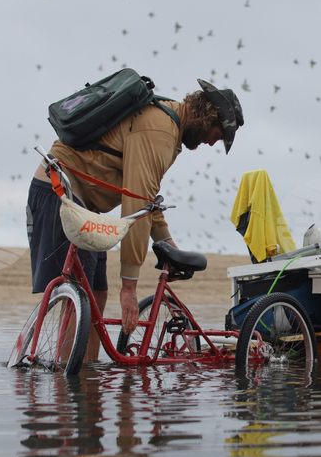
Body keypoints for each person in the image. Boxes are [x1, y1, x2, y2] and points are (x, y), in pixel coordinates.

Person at [27, 78, 243, 361]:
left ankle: (88, 377)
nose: (214, 142)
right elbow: (136, 203)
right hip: (59, 193)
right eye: (219, 133)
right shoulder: (160, 130)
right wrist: (129, 287)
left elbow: (148, 198)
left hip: (81, 203)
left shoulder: (167, 125)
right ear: (208, 117)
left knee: (97, 294)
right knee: (79, 297)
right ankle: (67, 384)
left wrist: (168, 245)